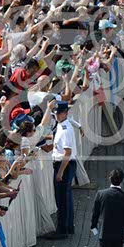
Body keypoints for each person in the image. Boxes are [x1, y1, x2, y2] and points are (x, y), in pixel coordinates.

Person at [52, 100, 77, 238]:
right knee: (66, 198)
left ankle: (62, 230)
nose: (57, 115)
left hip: (64, 165)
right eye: (56, 113)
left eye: (59, 113)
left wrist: (60, 172)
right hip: (65, 164)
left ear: (65, 113)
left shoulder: (65, 130)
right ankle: (68, 227)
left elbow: (67, 152)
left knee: (62, 199)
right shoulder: (62, 125)